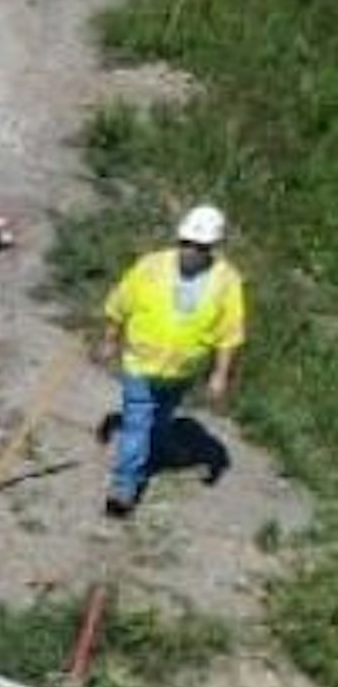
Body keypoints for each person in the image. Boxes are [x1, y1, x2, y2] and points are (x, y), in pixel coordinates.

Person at [97, 204, 245, 516]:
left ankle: (159, 446)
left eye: (200, 247)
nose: (191, 252)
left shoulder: (226, 282)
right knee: (137, 423)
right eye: (186, 243)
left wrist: (219, 375)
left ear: (213, 248)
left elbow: (230, 332)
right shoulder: (151, 267)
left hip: (181, 371)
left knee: (162, 414)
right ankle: (125, 485)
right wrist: (110, 338)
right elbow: (120, 301)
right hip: (141, 363)